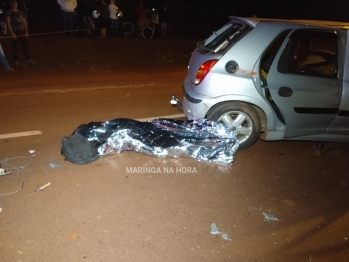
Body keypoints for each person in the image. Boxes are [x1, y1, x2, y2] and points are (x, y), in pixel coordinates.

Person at [6, 0, 36, 66]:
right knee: (15, 46)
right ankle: (15, 59)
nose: (15, 4)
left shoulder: (20, 12)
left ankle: (28, 59)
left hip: (22, 31)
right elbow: (8, 23)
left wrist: (26, 31)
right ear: (11, 4)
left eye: (16, 3)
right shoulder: (9, 12)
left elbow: (24, 22)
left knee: (25, 46)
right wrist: (12, 33)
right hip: (15, 31)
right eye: (13, 3)